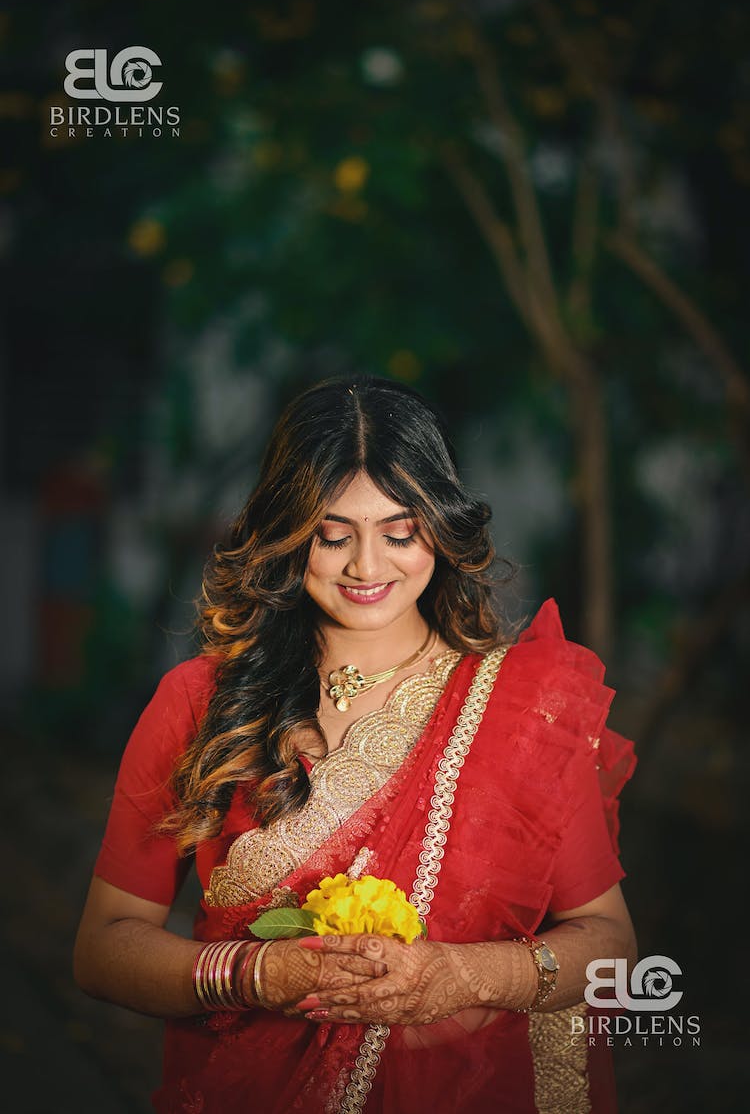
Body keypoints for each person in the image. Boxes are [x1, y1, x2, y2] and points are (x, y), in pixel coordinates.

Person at [74, 374, 637, 1114]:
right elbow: (106, 946)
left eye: (399, 532)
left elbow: (611, 946)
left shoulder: (521, 711)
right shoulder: (201, 703)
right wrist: (256, 975)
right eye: (333, 535)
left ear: (439, 525)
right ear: (286, 530)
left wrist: (462, 976)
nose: (367, 567)